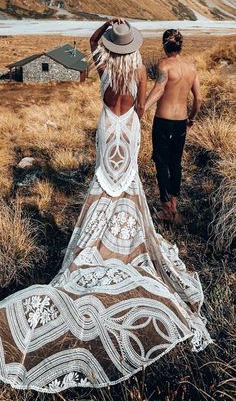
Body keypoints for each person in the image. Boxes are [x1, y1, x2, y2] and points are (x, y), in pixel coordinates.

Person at [0, 20, 211, 394]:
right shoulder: (135, 70)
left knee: (103, 180)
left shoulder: (104, 66)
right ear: (132, 47)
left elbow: (92, 41)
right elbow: (142, 109)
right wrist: (136, 118)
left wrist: (103, 28)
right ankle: (123, 238)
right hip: (128, 128)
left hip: (106, 126)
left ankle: (96, 237)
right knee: (127, 182)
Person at [145, 29, 202, 222]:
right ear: (181, 45)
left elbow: (159, 89)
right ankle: (174, 205)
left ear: (164, 45)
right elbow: (199, 99)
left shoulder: (164, 64)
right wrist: (192, 118)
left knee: (161, 163)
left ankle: (166, 210)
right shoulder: (191, 67)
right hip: (180, 123)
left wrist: (142, 107)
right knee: (175, 162)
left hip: (163, 121)